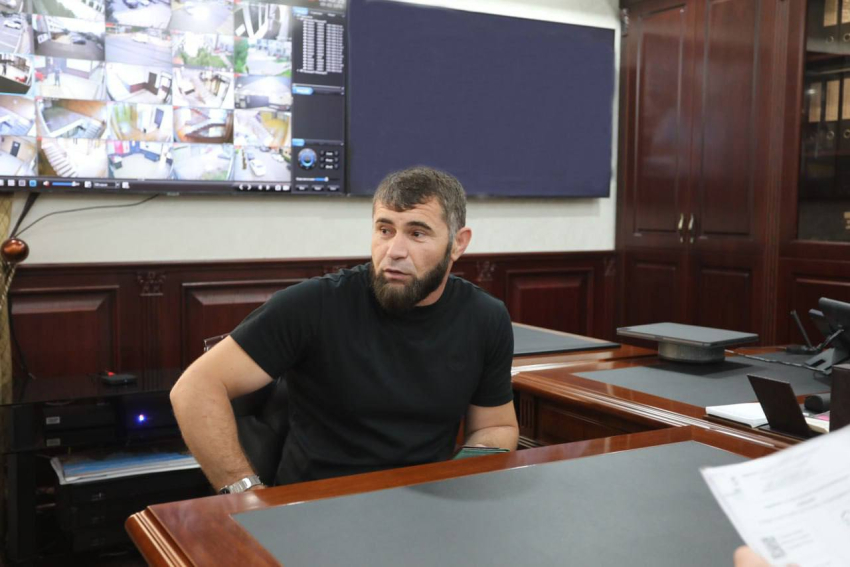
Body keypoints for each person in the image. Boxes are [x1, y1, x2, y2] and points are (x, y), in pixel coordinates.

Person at [170, 166, 519, 494]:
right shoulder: (313, 304)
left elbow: (495, 426)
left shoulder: (485, 317)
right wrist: (245, 494)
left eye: (417, 233)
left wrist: (456, 481)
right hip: (317, 504)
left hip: (426, 503)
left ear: (458, 243)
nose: (394, 251)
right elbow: (194, 388)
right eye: (385, 230)